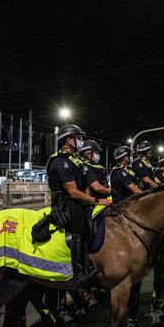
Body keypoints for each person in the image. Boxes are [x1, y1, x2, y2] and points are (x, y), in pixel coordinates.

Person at [46, 124, 110, 290]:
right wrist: (96, 201)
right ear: (69, 140)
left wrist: (92, 201)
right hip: (66, 204)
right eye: (79, 138)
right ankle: (79, 272)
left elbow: (85, 187)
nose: (82, 141)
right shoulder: (60, 161)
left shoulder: (75, 161)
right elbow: (73, 192)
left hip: (79, 201)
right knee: (79, 230)